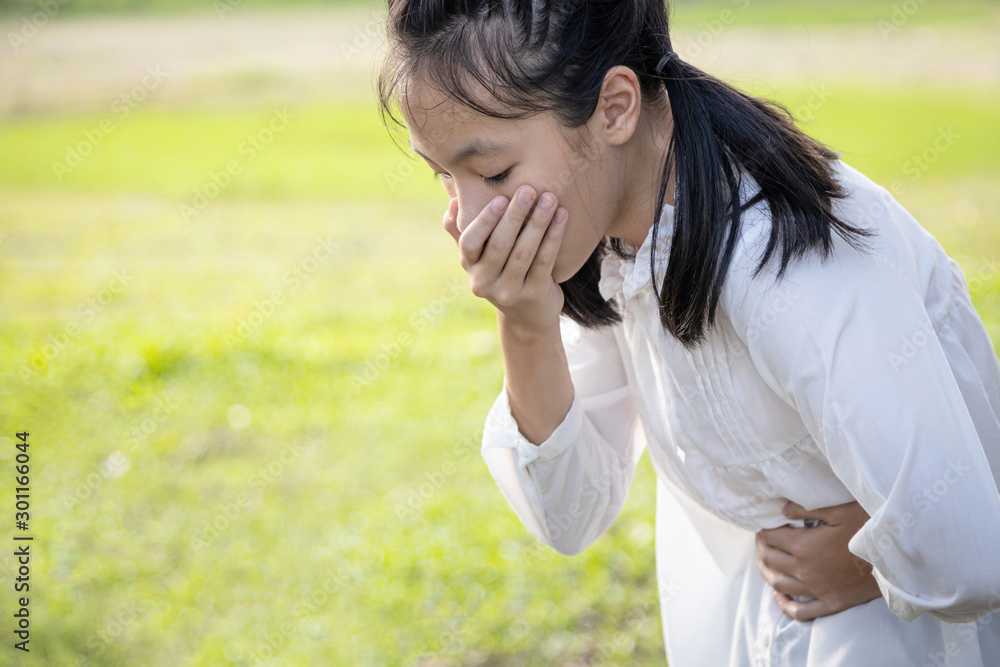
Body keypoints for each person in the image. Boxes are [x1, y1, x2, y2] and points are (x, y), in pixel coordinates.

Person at [376, 1, 1000, 664]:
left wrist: (866, 563)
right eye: (444, 175)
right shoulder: (613, 242)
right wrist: (526, 323)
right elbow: (569, 515)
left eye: (494, 172)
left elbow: (968, 550)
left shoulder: (787, 259)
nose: (468, 221)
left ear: (615, 107)